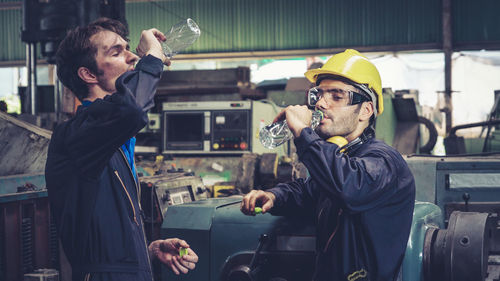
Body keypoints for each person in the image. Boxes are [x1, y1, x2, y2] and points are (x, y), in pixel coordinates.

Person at [241, 49, 415, 281]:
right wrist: (275, 196)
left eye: (336, 95)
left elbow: (348, 186)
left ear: (366, 110)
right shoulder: (345, 156)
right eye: (319, 95)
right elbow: (311, 190)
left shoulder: (384, 161)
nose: (321, 104)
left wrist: (304, 133)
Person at [45, 18, 198, 281]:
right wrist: (153, 58)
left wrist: (147, 251)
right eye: (117, 52)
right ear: (89, 74)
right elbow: (133, 110)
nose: (131, 58)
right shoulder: (78, 135)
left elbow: (105, 233)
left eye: (129, 49)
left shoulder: (110, 140)